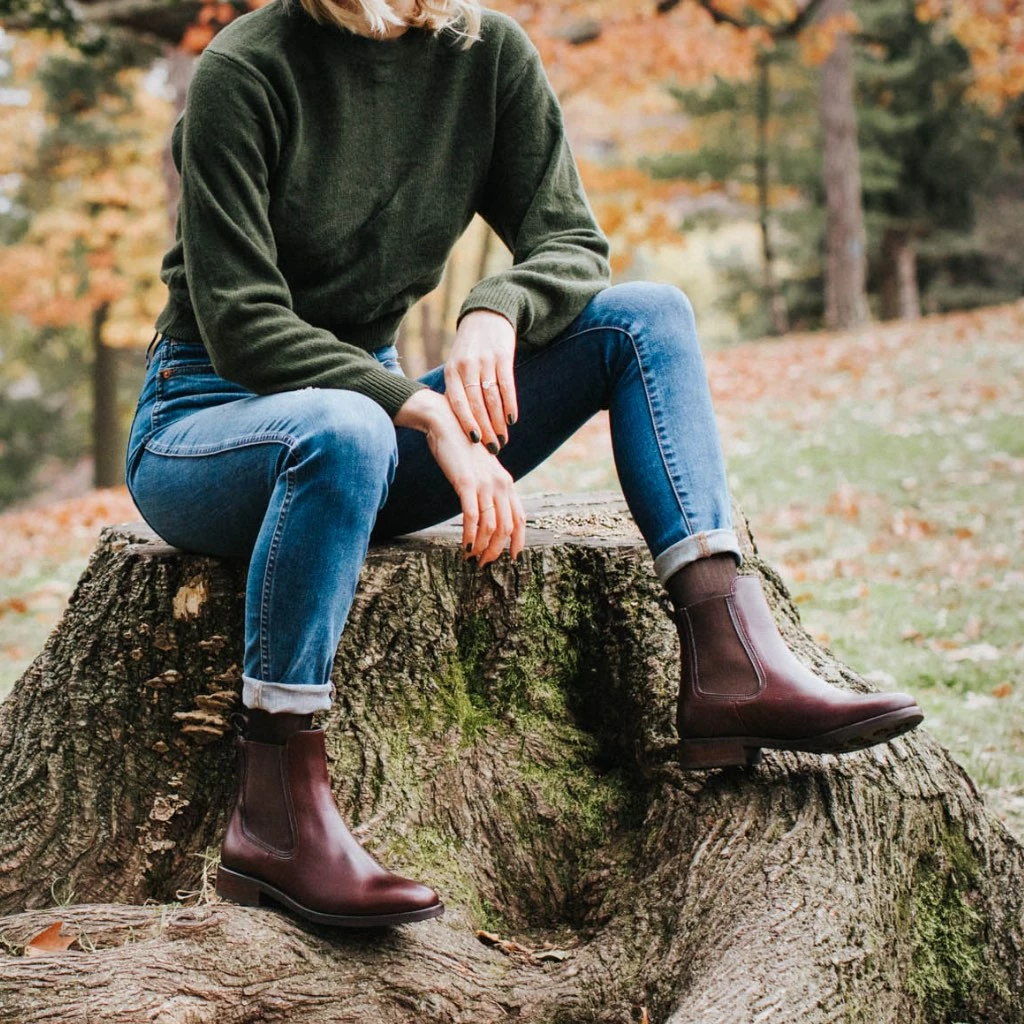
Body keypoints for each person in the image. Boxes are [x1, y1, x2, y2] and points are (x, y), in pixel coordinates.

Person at [125, 0, 923, 929]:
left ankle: (730, 662)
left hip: (367, 433)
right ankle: (276, 817)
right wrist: (428, 415)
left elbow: (572, 242)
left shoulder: (485, 53)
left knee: (648, 316)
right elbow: (243, 318)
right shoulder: (244, 68)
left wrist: (495, 308)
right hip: (207, 423)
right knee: (345, 428)